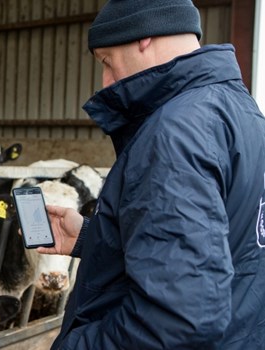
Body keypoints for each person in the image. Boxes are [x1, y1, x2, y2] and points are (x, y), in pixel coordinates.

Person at [37, 0, 265, 349]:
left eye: (106, 61)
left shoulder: (175, 132)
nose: (105, 81)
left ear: (143, 36)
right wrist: (90, 238)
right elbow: (219, 246)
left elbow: (179, 319)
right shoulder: (243, 113)